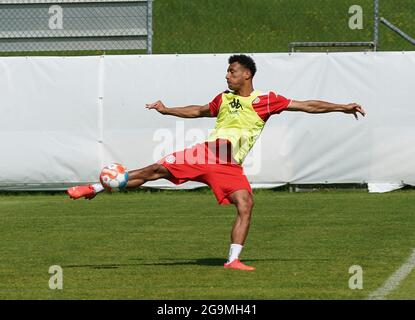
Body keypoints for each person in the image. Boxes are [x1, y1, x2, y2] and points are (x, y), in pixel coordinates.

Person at [67, 54, 366, 271]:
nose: (227, 76)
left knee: (245, 204)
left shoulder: (266, 100)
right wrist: (167, 110)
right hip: (206, 154)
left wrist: (342, 107)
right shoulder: (223, 99)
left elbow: (306, 105)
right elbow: (197, 111)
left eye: (232, 72)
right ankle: (95, 187)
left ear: (247, 74)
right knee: (155, 169)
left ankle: (233, 260)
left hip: (230, 166)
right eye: (227, 72)